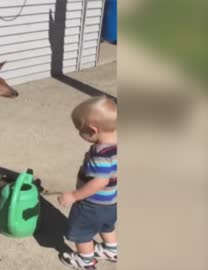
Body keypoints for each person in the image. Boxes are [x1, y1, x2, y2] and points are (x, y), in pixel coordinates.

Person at [58, 96, 118, 270]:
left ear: (93, 130)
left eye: (80, 130)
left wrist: (74, 195)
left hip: (92, 205)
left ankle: (85, 261)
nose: (79, 133)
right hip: (111, 201)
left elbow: (100, 181)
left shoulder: (100, 155)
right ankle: (111, 250)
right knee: (107, 226)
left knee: (82, 233)